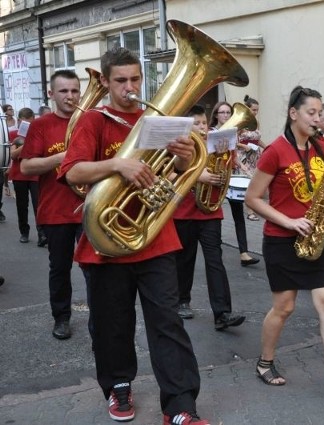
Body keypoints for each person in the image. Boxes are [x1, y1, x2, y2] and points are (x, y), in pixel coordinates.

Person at [58, 47, 210, 425]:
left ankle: (180, 406)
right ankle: (119, 387)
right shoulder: (94, 120)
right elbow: (72, 172)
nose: (129, 87)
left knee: (168, 324)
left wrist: (183, 157)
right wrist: (118, 165)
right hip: (106, 244)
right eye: (121, 80)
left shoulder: (155, 119)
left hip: (154, 238)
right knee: (112, 325)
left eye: (135, 79)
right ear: (107, 82)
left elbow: (178, 173)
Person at [245, 86, 324, 403]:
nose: (318, 120)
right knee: (284, 307)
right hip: (282, 240)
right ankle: (264, 362)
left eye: (319, 114)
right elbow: (252, 199)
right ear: (293, 113)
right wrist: (287, 221)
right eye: (311, 113)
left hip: (318, 237)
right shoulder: (275, 151)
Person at [20, 70, 85, 340]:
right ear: (51, 94)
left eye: (74, 91)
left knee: (98, 267)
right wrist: (60, 157)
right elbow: (25, 166)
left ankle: (105, 316)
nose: (70, 96)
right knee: (59, 268)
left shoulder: (89, 121)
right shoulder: (41, 125)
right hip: (56, 211)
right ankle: (61, 318)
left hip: (89, 207)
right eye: (63, 91)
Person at [173, 104, 246, 330]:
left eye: (204, 123)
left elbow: (225, 173)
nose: (202, 127)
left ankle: (222, 313)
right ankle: (181, 301)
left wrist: (226, 154)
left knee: (215, 262)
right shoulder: (180, 147)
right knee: (184, 261)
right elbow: (170, 173)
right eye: (196, 123)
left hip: (210, 212)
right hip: (183, 211)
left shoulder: (216, 145)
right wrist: (198, 176)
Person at [210, 101, 260, 267]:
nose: (225, 115)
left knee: (238, 214)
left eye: (228, 113)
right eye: (222, 112)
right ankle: (214, 249)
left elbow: (234, 157)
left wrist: (246, 170)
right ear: (216, 115)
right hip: (213, 180)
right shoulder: (210, 132)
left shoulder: (231, 133)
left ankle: (244, 253)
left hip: (229, 177)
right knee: (213, 217)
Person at [8, 107, 45, 245]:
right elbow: (13, 155)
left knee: (38, 205)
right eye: (25, 123)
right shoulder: (14, 135)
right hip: (19, 175)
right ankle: (24, 232)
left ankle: (42, 234)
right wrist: (25, 144)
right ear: (19, 121)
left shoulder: (38, 134)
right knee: (21, 206)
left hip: (35, 174)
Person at [237, 95, 266, 222]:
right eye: (254, 110)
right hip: (243, 156)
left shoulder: (256, 122)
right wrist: (245, 146)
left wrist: (267, 147)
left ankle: (253, 208)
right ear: (248, 109)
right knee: (248, 183)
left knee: (255, 183)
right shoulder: (241, 122)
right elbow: (234, 140)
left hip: (255, 156)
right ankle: (250, 212)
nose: (256, 112)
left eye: (257, 110)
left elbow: (257, 139)